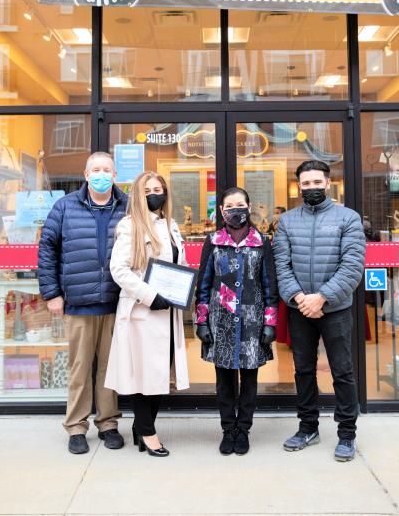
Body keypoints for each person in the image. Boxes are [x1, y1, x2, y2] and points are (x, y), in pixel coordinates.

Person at [273, 160, 365, 462]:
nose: (311, 188)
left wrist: (322, 297)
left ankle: (347, 434)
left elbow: (352, 266)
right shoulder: (286, 221)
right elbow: (281, 266)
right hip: (300, 309)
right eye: (306, 183)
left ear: (327, 183)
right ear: (299, 185)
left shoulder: (348, 219)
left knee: (343, 371)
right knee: (303, 371)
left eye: (316, 182)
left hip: (335, 308)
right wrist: (300, 297)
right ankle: (307, 427)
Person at [38, 152, 128, 454]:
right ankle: (76, 426)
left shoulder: (127, 207)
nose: (101, 174)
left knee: (109, 368)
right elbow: (47, 250)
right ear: (86, 174)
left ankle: (108, 423)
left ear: (115, 175)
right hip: (78, 302)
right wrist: (52, 293)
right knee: (79, 369)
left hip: (116, 303)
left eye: (107, 170)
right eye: (96, 170)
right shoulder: (65, 207)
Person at [105, 171, 189, 457]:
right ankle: (148, 432)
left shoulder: (171, 225)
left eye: (159, 188)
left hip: (168, 313)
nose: (155, 193)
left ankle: (143, 427)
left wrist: (182, 287)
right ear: (138, 196)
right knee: (142, 375)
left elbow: (179, 263)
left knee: (159, 375)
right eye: (148, 190)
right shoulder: (130, 226)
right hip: (142, 312)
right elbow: (119, 270)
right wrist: (150, 296)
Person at [195, 187, 279, 456]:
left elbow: (270, 286)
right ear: (221, 211)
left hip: (252, 322)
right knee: (224, 381)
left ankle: (243, 430)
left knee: (250, 380)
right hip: (221, 321)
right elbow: (204, 285)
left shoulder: (261, 242)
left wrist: (270, 323)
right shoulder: (214, 241)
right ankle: (227, 429)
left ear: (249, 206)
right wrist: (201, 321)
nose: (235, 210)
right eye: (229, 206)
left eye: (240, 204)